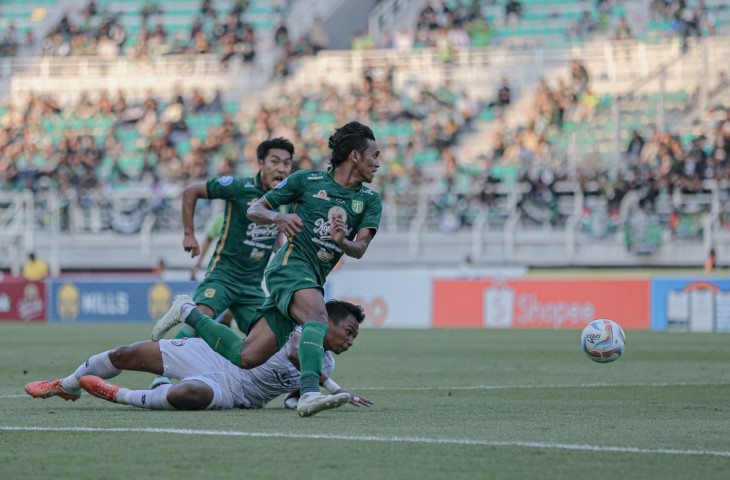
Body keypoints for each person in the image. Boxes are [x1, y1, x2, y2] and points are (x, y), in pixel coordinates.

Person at [151, 121, 382, 417]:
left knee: (247, 356)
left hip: (302, 279)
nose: (377, 164)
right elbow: (255, 209)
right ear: (354, 156)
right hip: (288, 267)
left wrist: (343, 241)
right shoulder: (306, 181)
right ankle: (308, 394)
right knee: (317, 317)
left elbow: (360, 249)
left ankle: (186, 311)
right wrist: (277, 218)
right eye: (374, 156)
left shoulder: (370, 200)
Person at [25, 300, 372, 413]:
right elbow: (297, 354)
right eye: (349, 332)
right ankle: (66, 384)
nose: (351, 341)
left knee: (185, 395)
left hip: (235, 394)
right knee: (126, 353)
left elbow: (292, 400)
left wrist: (301, 399)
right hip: (213, 358)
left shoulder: (326, 363)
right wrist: (335, 388)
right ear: (325, 323)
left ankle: (117, 394)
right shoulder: (301, 338)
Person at [148, 137, 294, 389]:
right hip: (223, 277)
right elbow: (191, 191)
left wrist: (284, 258)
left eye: (287, 163)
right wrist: (188, 233)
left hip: (251, 287)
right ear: (260, 163)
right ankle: (162, 374)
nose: (281, 168)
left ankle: (290, 387)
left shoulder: (285, 197)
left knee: (270, 335)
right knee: (200, 315)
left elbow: (274, 236)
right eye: (275, 161)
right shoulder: (239, 187)